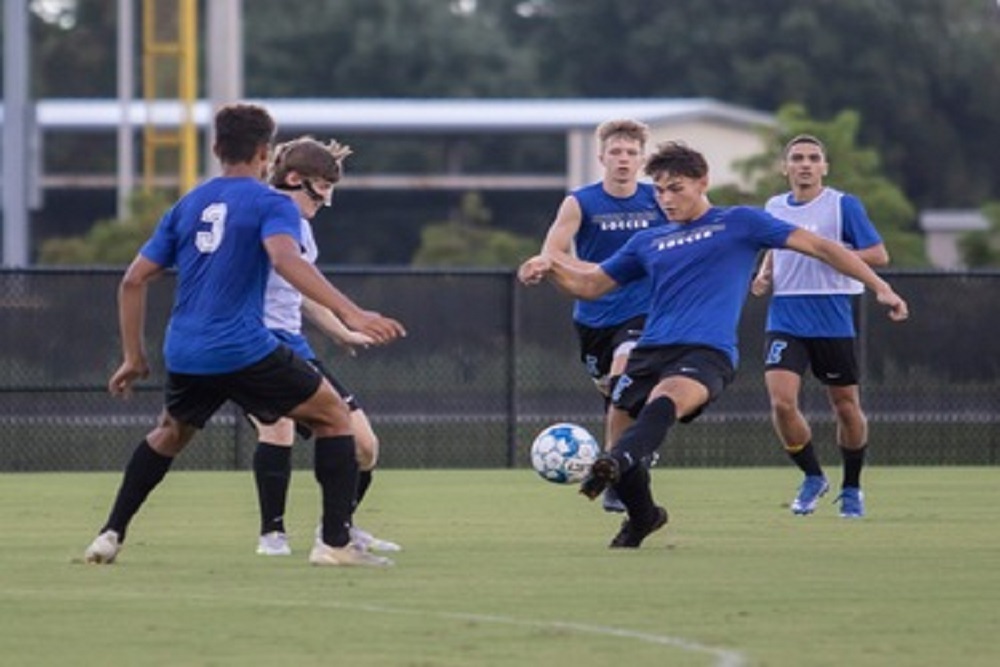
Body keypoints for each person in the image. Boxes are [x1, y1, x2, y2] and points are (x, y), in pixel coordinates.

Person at [517, 141, 908, 549]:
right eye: (661, 189)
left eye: (676, 188)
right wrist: (549, 268)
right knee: (623, 422)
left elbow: (821, 247)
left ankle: (612, 464)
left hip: (706, 352)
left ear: (703, 182)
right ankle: (643, 517)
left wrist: (880, 287)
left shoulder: (739, 222)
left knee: (660, 405)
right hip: (651, 349)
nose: (666, 198)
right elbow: (591, 284)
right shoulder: (648, 242)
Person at [83, 103, 405, 567]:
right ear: (264, 152)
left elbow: (133, 280)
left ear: (216, 149)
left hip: (186, 349)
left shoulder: (187, 204)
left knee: (169, 434)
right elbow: (285, 260)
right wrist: (351, 312)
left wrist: (133, 357)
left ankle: (109, 534)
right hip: (242, 345)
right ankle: (334, 543)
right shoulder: (271, 202)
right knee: (334, 417)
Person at [252, 135, 400, 556]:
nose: (325, 199)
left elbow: (300, 295)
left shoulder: (303, 231)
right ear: (297, 180)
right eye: (323, 187)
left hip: (295, 345)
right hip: (253, 344)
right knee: (275, 428)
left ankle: (338, 527)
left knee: (365, 445)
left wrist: (341, 332)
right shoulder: (264, 214)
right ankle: (273, 535)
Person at [750, 134, 888, 518]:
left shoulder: (843, 205)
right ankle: (812, 475)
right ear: (786, 167)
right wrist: (764, 273)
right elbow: (777, 246)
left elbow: (878, 253)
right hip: (786, 315)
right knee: (781, 402)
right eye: (797, 158)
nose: (805, 164)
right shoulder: (774, 205)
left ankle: (852, 487)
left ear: (824, 167)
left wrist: (834, 255)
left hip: (832, 315)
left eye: (813, 158)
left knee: (845, 407)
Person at [535, 119, 668, 513]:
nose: (623, 159)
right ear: (601, 158)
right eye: (616, 152)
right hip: (593, 315)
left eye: (631, 153)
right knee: (615, 395)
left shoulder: (658, 199)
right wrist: (588, 274)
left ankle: (615, 476)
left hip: (643, 311)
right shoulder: (581, 201)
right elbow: (554, 251)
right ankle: (631, 454)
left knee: (623, 377)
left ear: (642, 159)